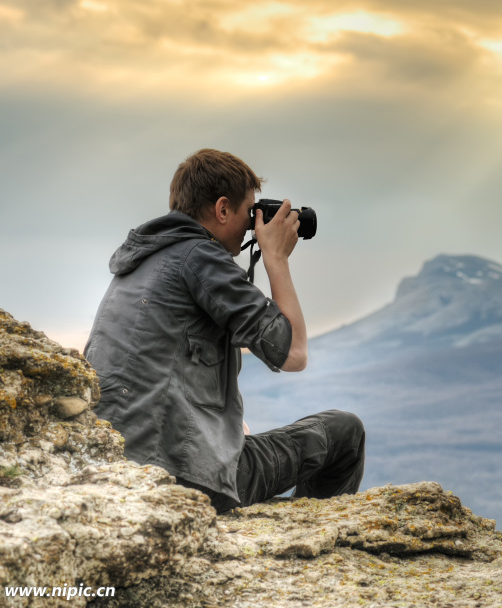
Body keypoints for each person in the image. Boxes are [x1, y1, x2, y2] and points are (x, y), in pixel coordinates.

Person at [84, 148, 365, 512]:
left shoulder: (140, 262)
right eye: (250, 211)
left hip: (120, 467)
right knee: (345, 432)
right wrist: (276, 258)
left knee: (247, 444)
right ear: (221, 210)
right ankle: (309, 540)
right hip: (183, 477)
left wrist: (226, 429)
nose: (254, 222)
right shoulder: (200, 258)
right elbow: (294, 353)